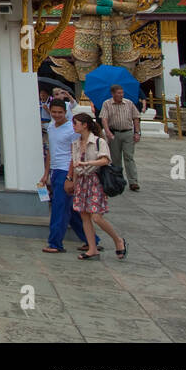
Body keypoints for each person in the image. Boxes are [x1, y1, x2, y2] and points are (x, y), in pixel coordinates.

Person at [70, 108, 127, 261]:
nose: (74, 126)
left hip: (95, 179)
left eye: (76, 123)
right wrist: (73, 183)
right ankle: (92, 248)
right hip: (82, 181)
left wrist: (88, 162)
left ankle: (118, 240)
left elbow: (105, 160)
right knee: (84, 215)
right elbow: (75, 165)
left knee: (96, 216)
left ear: (85, 125)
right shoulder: (75, 144)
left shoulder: (98, 141)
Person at [39, 98, 94, 254]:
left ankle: (55, 243)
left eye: (60, 112)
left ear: (66, 112)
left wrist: (71, 177)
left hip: (67, 170)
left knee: (59, 208)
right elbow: (51, 150)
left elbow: (75, 154)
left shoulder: (72, 129)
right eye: (54, 112)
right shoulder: (50, 126)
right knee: (69, 208)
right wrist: (46, 173)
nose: (57, 115)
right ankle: (91, 240)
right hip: (55, 170)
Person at [99, 84, 141, 191]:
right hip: (114, 133)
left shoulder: (129, 103)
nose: (121, 95)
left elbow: (136, 117)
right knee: (115, 159)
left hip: (127, 132)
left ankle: (133, 181)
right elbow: (104, 118)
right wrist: (107, 132)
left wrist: (137, 132)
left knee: (129, 157)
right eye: (118, 93)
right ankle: (118, 180)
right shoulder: (107, 104)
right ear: (113, 94)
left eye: (122, 93)